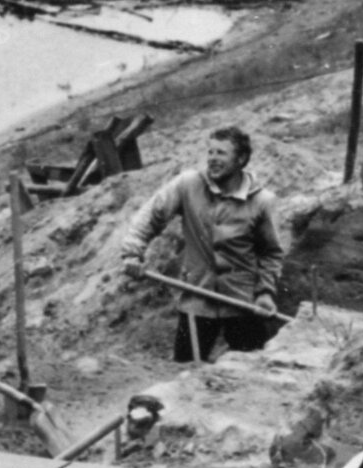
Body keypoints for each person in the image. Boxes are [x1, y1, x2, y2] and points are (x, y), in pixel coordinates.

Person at [119, 126, 286, 363]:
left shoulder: (262, 201)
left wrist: (266, 293)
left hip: (242, 302)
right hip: (197, 299)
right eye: (210, 152)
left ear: (241, 159)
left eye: (221, 153)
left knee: (252, 373)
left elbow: (271, 253)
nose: (213, 160)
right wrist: (132, 253)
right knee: (183, 371)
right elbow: (150, 215)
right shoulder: (188, 184)